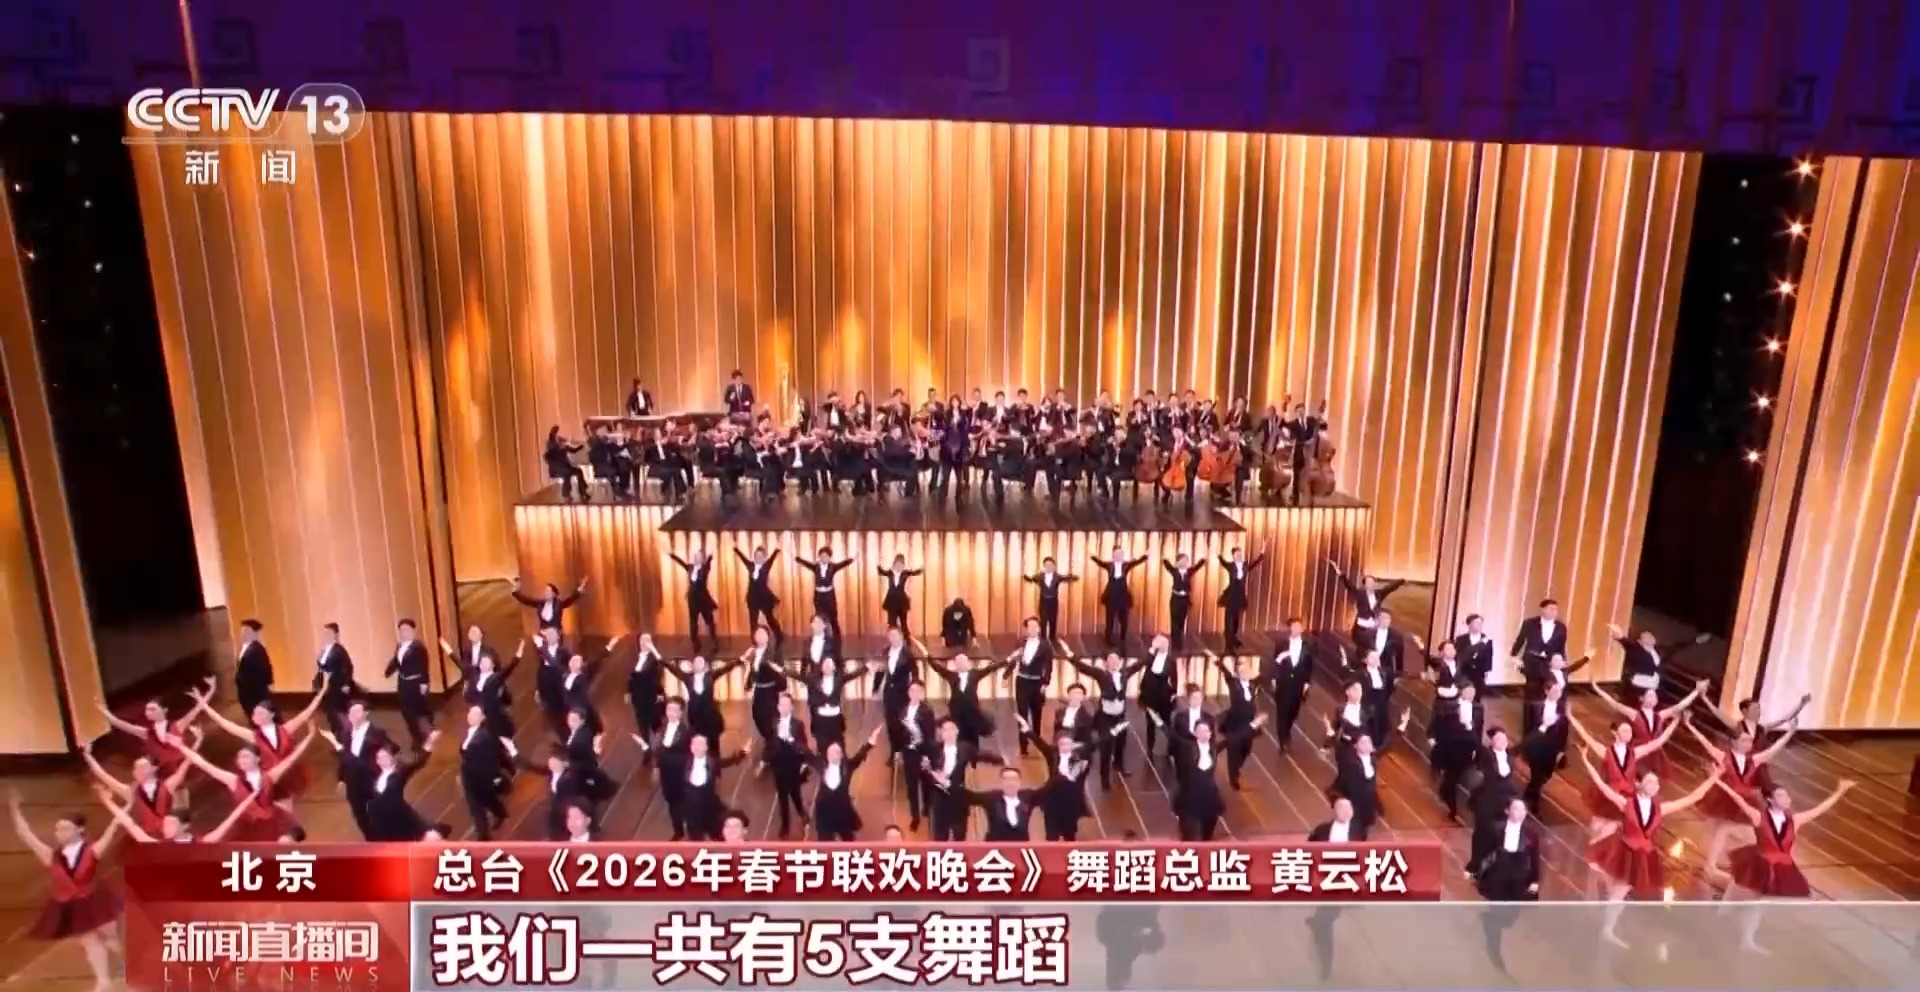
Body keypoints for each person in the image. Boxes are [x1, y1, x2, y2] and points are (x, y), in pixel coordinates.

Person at [1582, 759, 1717, 947]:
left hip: (1642, 856)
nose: (1654, 785)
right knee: (1619, 892)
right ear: (1639, 784)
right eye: (1650, 781)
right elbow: (1602, 786)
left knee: (1619, 891)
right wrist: (1586, 760)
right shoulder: (1626, 803)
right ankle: (1606, 929)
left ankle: (1606, 924)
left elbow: (1693, 797)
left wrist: (1715, 776)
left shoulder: (1660, 809)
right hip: (1625, 851)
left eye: (1656, 783)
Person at [1713, 779, 1855, 952]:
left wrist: (1840, 791)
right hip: (1760, 862)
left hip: (1781, 867)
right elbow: (1737, 799)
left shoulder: (1795, 820)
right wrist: (1718, 781)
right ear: (1770, 800)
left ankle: (1744, 936)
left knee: (1754, 897)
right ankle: (1729, 919)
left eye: (1787, 795)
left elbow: (1820, 809)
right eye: (1781, 795)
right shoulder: (1759, 817)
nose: (1787, 799)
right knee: (1744, 890)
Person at [8, 790, 123, 992]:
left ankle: (137, 963)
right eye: (58, 829)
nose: (59, 833)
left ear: (79, 830)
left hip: (96, 901)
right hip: (72, 905)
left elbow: (114, 826)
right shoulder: (50, 855)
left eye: (65, 829)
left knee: (111, 939)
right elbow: (25, 834)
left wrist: (114, 803)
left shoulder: (92, 850)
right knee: (89, 940)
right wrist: (15, 810)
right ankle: (103, 980)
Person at [1686, 716, 1796, 877]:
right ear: (1734, 742)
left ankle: (1760, 863)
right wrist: (1689, 725)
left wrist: (1790, 732)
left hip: (1747, 798)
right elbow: (1705, 742)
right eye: (1744, 740)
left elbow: (1773, 750)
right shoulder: (1724, 756)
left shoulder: (1754, 760)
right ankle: (1711, 865)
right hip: (1728, 797)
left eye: (1750, 741)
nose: (1749, 743)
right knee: (1723, 829)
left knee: (1749, 830)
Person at [172, 730, 318, 841]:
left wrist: (309, 736)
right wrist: (181, 747)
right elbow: (203, 764)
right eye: (240, 757)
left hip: (271, 823)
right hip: (246, 826)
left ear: (257, 759)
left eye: (246, 756)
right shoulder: (233, 780)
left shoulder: (269, 776)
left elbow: (292, 758)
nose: (242, 760)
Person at [79, 736, 201, 840]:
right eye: (136, 768)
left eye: (142, 768)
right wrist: (88, 756)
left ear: (154, 768)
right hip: (147, 837)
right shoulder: (131, 792)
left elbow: (185, 765)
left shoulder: (167, 786)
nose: (138, 771)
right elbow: (104, 776)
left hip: (171, 833)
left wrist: (197, 742)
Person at [1473, 797, 1541, 974]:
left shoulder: (1531, 834)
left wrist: (1535, 880)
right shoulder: (1496, 829)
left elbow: (1534, 859)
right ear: (1507, 811)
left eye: (1523, 809)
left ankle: (1490, 922)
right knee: (1497, 910)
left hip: (1518, 877)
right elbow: (1484, 851)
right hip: (1499, 874)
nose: (1520, 812)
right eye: (1516, 809)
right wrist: (1479, 870)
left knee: (1512, 914)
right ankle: (1493, 949)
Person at [810, 727, 885, 841]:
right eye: (831, 752)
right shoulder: (821, 765)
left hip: (842, 810)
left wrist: (870, 742)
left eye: (837, 752)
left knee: (848, 839)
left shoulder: (847, 767)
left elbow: (860, 756)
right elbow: (807, 755)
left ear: (841, 755)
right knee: (824, 842)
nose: (834, 754)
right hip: (824, 811)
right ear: (827, 755)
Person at [384, 619, 435, 751]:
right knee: (407, 712)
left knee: (420, 711)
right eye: (401, 630)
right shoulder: (400, 646)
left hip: (416, 683)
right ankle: (416, 738)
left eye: (406, 630)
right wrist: (388, 671)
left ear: (413, 631)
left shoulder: (418, 647)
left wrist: (424, 683)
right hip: (403, 683)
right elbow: (396, 661)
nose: (403, 633)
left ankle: (428, 735)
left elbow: (424, 666)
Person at [1089, 546, 1147, 646]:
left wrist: (1145, 556)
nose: (1119, 556)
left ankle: (1122, 637)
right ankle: (1108, 639)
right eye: (1117, 554)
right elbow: (1100, 562)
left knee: (1124, 620)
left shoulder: (1126, 565)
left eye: (1121, 554)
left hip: (1123, 595)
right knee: (1110, 619)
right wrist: (1092, 556)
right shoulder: (1109, 565)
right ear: (1113, 555)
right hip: (1111, 595)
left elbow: (1137, 562)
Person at [795, 547, 855, 641]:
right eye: (821, 556)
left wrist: (853, 558)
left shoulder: (833, 567)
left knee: (833, 618)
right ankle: (821, 638)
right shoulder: (816, 567)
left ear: (829, 557)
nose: (823, 558)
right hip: (819, 596)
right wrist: (795, 557)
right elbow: (805, 563)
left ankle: (837, 639)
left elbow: (844, 563)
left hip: (829, 595)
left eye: (826, 556)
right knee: (819, 618)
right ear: (819, 557)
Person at [667, 550, 720, 651]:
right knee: (693, 623)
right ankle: (695, 643)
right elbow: (681, 562)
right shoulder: (690, 567)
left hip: (703, 600)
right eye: (696, 556)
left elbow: (708, 562)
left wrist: (710, 556)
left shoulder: (705, 568)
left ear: (702, 559)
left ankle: (714, 643)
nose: (697, 558)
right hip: (693, 600)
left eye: (700, 557)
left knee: (710, 622)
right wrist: (671, 555)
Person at [1215, 546, 1265, 651]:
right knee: (1228, 620)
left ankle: (1233, 638)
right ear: (1233, 556)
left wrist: (1263, 549)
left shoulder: (1245, 565)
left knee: (1236, 620)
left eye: (1240, 554)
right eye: (1237, 555)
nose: (1239, 556)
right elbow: (1222, 561)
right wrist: (1217, 552)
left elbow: (1256, 562)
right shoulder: (1230, 566)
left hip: (1239, 595)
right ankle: (1228, 644)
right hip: (1230, 595)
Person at [735, 546, 784, 641]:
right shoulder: (750, 566)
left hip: (764, 598)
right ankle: (754, 641)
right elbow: (742, 558)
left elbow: (772, 558)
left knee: (770, 619)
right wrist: (735, 548)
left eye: (761, 556)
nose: (759, 558)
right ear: (754, 557)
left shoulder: (766, 566)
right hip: (752, 598)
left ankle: (779, 636)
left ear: (764, 558)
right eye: (757, 556)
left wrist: (777, 549)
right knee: (753, 621)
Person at [1022, 559, 1078, 642]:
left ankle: (1052, 639)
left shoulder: (1057, 576)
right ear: (1044, 566)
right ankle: (1043, 639)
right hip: (1043, 602)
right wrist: (1025, 576)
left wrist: (1073, 577)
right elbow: (1031, 579)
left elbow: (1066, 578)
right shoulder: (1039, 576)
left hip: (1053, 602)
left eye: (1050, 565)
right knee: (1043, 620)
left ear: (1054, 566)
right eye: (1046, 565)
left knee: (1053, 620)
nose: (1048, 567)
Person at [1160, 554, 1206, 649]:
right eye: (1183, 560)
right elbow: (1168, 566)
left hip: (1184, 600)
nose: (1185, 562)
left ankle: (1179, 641)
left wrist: (1203, 559)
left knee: (1182, 620)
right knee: (1174, 621)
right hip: (1176, 598)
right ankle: (1175, 643)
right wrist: (1164, 558)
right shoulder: (1175, 571)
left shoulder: (1189, 572)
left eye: (1186, 560)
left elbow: (1197, 567)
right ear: (1178, 562)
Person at [512, 576, 590, 631]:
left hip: (556, 635)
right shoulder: (540, 604)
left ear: (554, 594)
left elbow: (571, 599)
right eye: (546, 591)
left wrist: (581, 587)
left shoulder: (558, 604)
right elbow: (526, 601)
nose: (547, 592)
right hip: (543, 635)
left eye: (549, 591)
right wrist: (515, 591)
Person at [233, 618, 274, 715]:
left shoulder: (256, 650)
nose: (242, 634)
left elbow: (266, 669)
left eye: (246, 631)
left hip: (255, 693)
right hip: (248, 693)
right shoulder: (246, 647)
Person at [878, 555, 923, 632]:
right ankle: (894, 638)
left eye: (901, 564)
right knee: (892, 623)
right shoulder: (890, 572)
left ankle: (906, 638)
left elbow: (916, 572)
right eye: (897, 563)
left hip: (901, 600)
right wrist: (879, 563)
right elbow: (881, 572)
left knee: (903, 623)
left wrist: (922, 567)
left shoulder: (905, 573)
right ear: (894, 563)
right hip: (891, 600)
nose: (899, 565)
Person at [544, 425, 587, 501]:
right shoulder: (552, 451)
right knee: (567, 474)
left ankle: (582, 491)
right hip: (557, 470)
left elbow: (573, 450)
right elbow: (548, 458)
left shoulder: (563, 448)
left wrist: (580, 447)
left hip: (565, 468)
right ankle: (567, 494)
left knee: (577, 471)